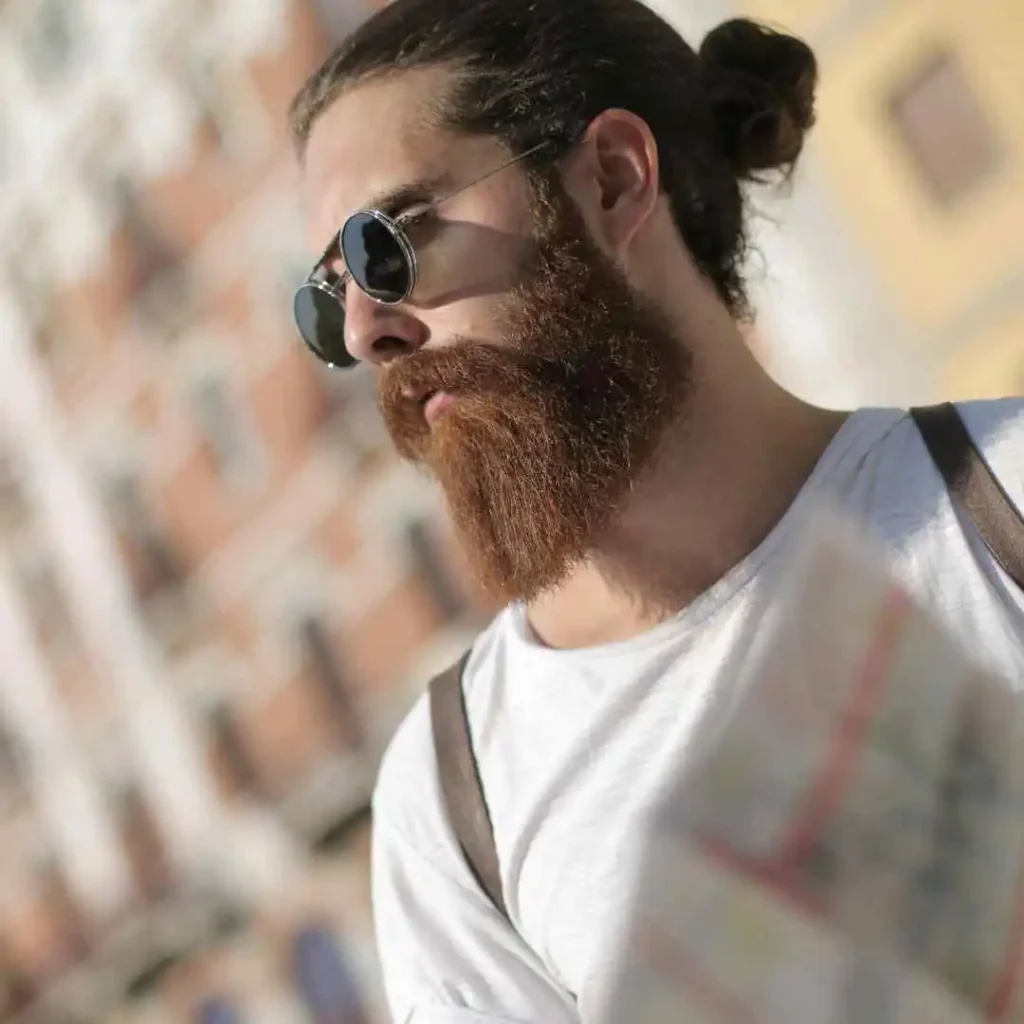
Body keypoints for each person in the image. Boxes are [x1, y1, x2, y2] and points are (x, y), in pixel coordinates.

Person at [287, 1, 1024, 1020]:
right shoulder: (456, 799)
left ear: (613, 178)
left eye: (388, 241)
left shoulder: (1002, 494)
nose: (366, 328)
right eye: (326, 297)